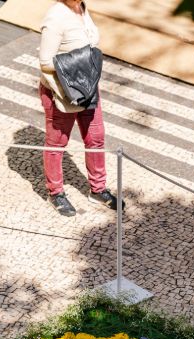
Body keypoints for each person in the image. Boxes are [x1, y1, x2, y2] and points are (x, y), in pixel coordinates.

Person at [38, 0, 120, 217]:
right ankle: (55, 193)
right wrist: (82, 61)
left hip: (87, 86)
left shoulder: (81, 8)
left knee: (96, 137)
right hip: (62, 92)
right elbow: (45, 61)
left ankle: (98, 189)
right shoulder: (55, 17)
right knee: (57, 143)